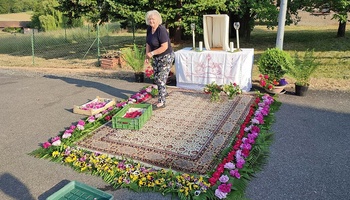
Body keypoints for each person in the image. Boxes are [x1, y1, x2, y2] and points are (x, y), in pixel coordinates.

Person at [144, 10, 175, 110]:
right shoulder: (149, 29)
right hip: (157, 57)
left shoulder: (161, 30)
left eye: (153, 19)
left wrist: (152, 53)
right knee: (157, 77)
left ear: (158, 20)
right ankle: (164, 92)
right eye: (149, 19)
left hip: (166, 56)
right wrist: (147, 55)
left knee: (161, 78)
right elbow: (148, 43)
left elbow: (164, 47)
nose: (151, 21)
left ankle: (162, 101)